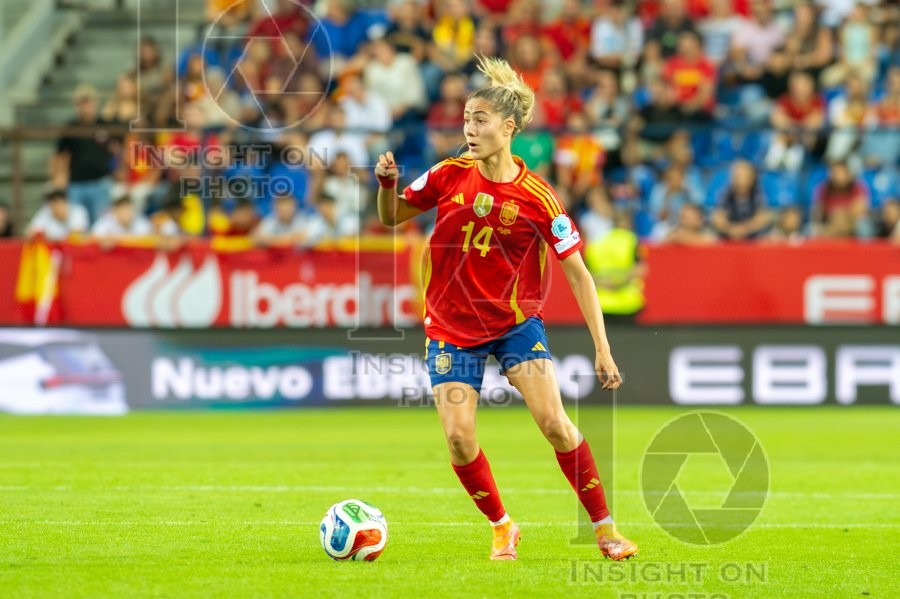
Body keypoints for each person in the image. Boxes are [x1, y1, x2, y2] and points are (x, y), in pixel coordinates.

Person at [374, 56, 637, 562]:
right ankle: (502, 526)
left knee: (557, 425)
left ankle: (605, 531)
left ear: (508, 127)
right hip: (451, 327)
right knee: (457, 438)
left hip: (515, 324)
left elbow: (579, 274)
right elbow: (390, 218)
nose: (469, 130)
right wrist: (386, 185)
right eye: (466, 120)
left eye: (480, 120)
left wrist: (602, 350)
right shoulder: (448, 175)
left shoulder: (539, 197)